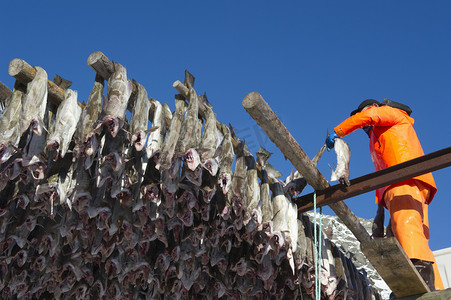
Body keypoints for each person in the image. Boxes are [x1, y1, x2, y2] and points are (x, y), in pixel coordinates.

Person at [325, 99, 444, 291]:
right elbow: (383, 174)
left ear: (375, 108)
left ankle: (420, 280)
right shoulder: (379, 137)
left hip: (405, 179)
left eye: (361, 114)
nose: (360, 119)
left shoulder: (391, 114)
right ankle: (435, 288)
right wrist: (380, 212)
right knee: (416, 234)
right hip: (400, 186)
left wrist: (338, 132)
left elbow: (370, 115)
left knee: (407, 228)